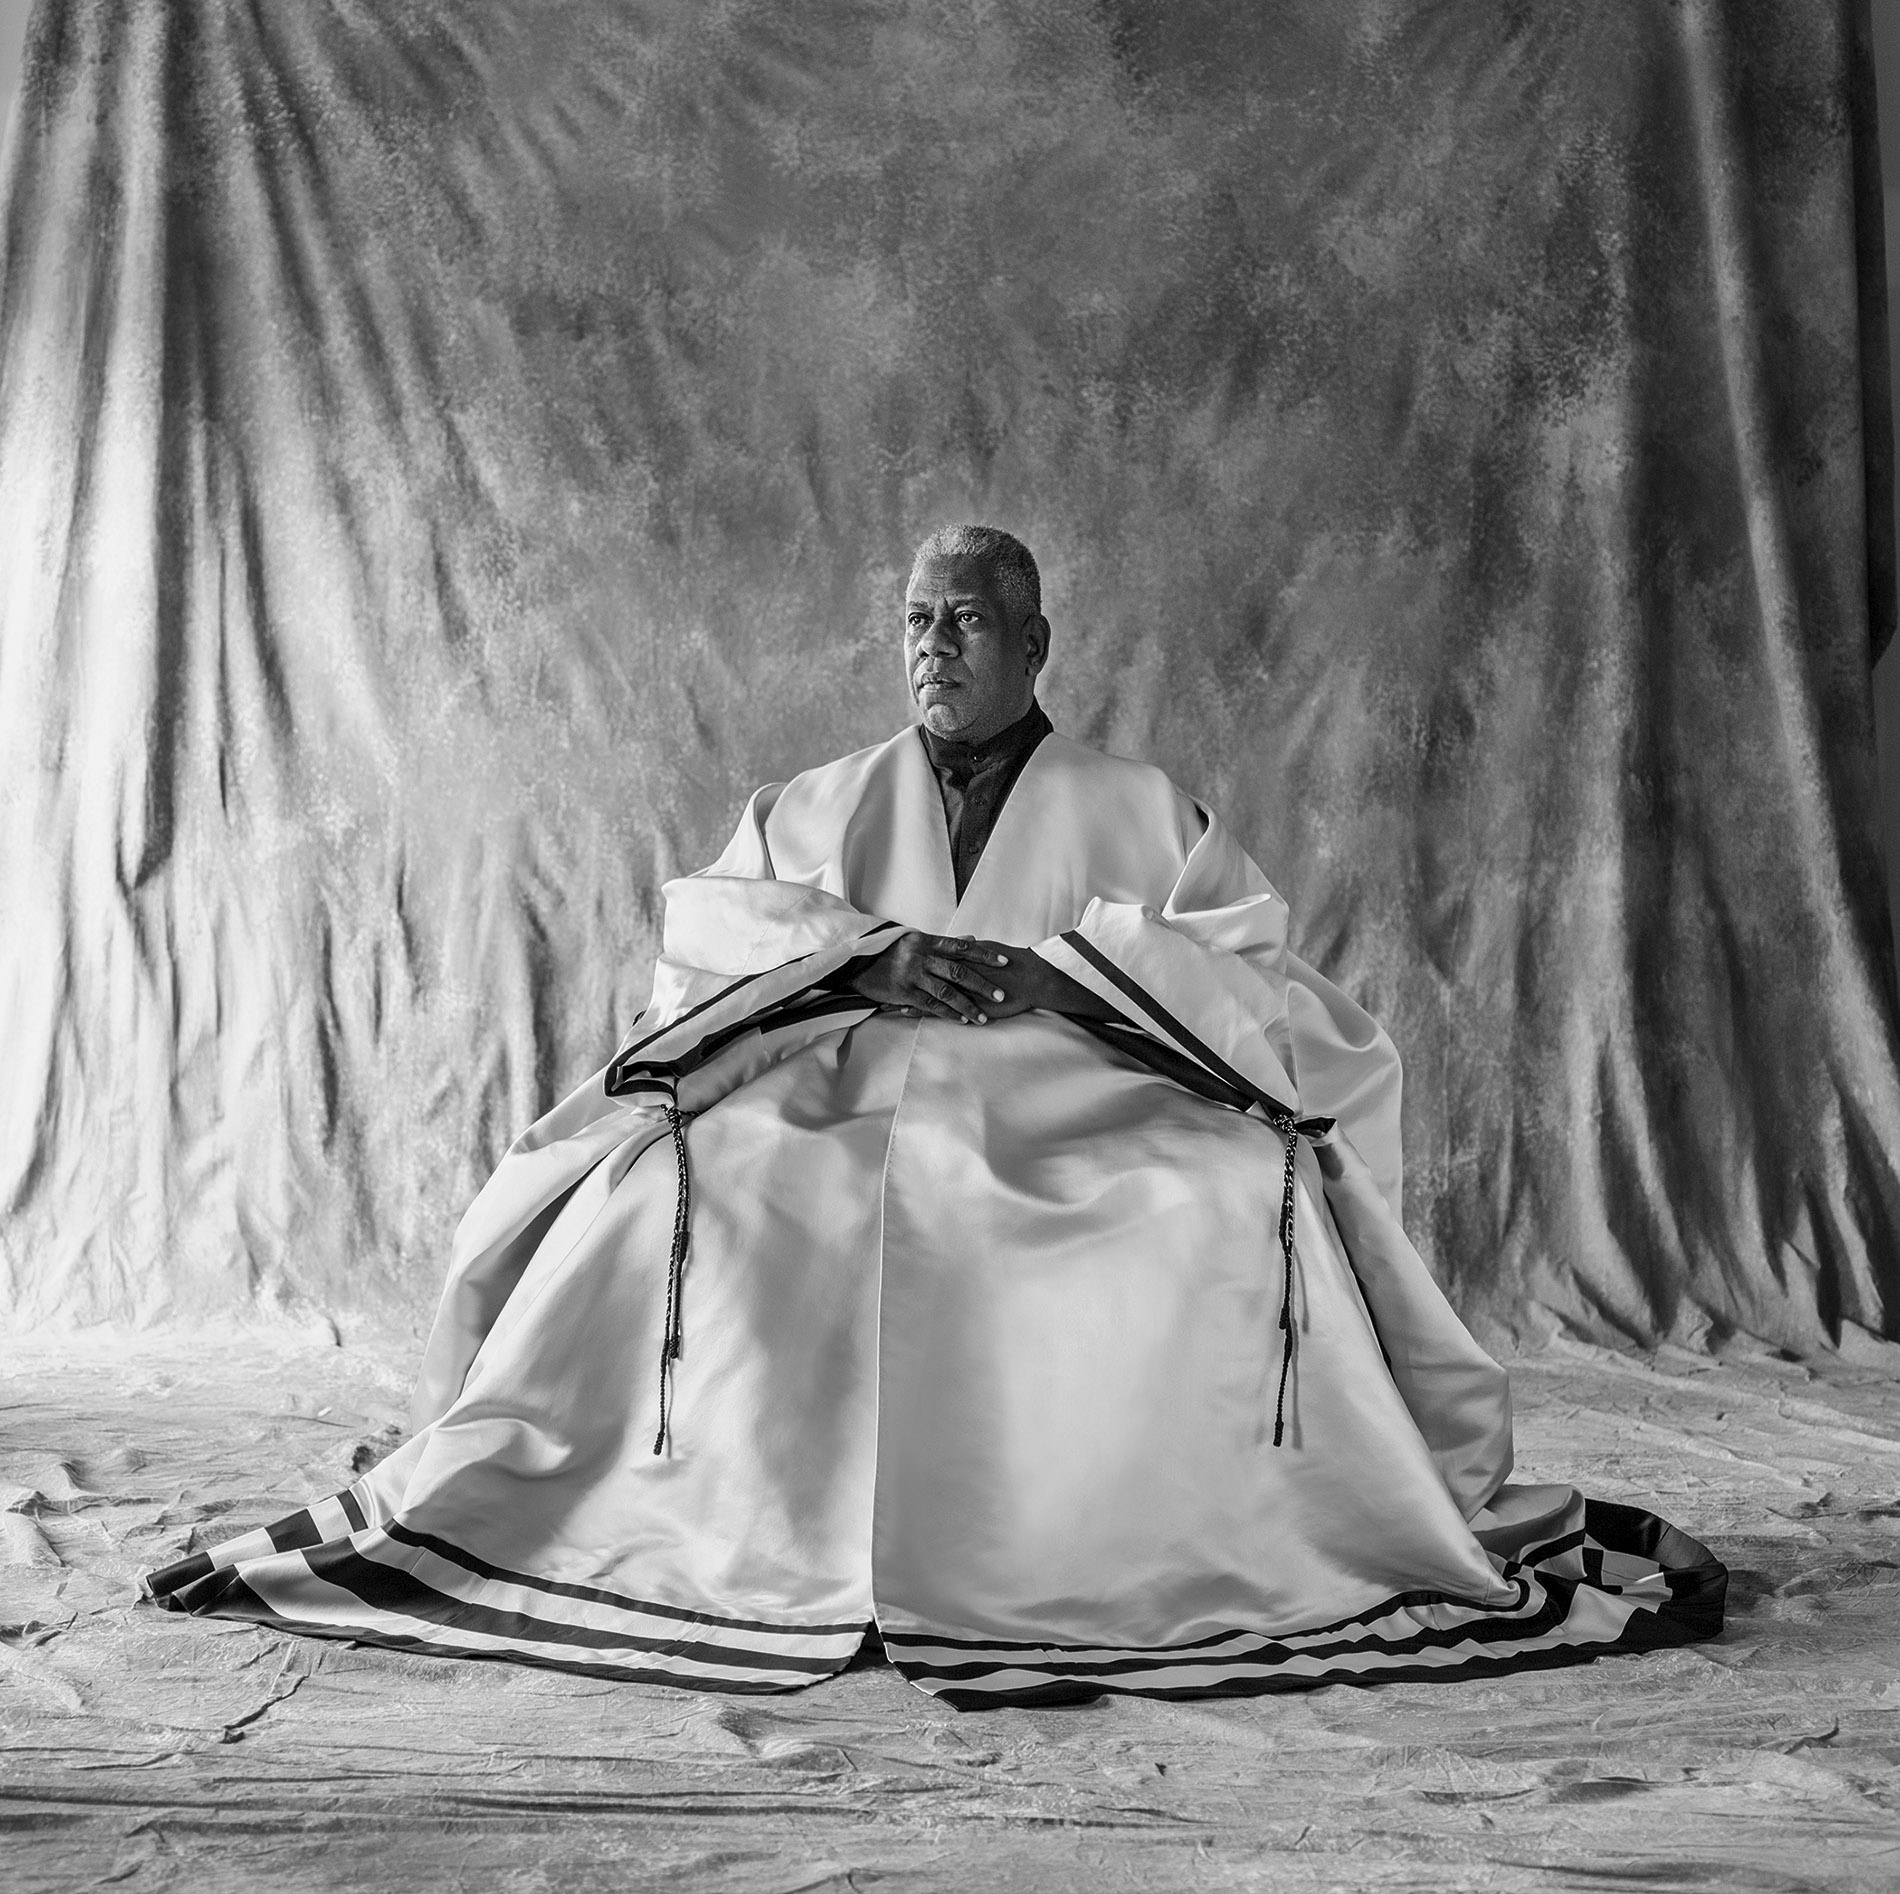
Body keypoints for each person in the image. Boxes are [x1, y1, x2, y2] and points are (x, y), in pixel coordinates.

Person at [147, 526, 1725, 1706]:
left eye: (968, 618)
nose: (934, 643)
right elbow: (712, 949)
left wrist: (1077, 978)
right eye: (916, 619)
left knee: (1211, 1192)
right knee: (692, 1184)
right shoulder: (818, 801)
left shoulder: (1137, 804)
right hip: (843, 1087)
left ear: (1039, 642)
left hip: (1082, 1094)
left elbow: (1252, 979)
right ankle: (706, 1531)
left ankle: (1111, 1553)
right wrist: (866, 956)